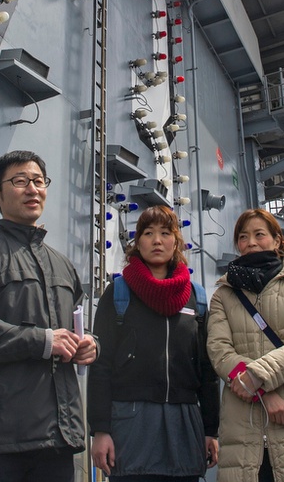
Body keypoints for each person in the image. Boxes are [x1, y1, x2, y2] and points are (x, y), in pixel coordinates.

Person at [0, 150, 97, 482]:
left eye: (39, 181)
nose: (33, 189)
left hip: (58, 436)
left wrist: (90, 344)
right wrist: (42, 340)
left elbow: (77, 327)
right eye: (20, 181)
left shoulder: (63, 265)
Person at [88, 205, 220, 480]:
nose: (157, 240)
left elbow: (207, 371)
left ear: (176, 241)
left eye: (164, 232)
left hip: (184, 424)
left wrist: (211, 430)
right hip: (131, 425)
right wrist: (100, 431)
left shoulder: (196, 298)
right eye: (148, 233)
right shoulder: (118, 293)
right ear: (138, 242)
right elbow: (101, 367)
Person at [206, 208, 284, 482]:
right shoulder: (223, 296)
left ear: (277, 241)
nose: (250, 242)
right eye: (243, 236)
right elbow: (219, 350)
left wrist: (255, 377)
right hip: (242, 423)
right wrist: (263, 393)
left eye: (259, 234)